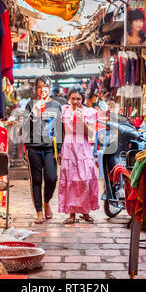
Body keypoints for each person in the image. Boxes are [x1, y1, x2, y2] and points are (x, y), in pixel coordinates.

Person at [22, 76, 63, 224]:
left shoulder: (56, 105)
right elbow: (25, 127)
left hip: (50, 147)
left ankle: (46, 202)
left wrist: (59, 149)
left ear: (50, 88)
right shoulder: (30, 105)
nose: (43, 89)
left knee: (52, 178)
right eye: (39, 86)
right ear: (36, 89)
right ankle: (39, 211)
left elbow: (59, 128)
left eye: (45, 86)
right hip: (34, 147)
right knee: (36, 180)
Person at [58, 85, 99, 224]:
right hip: (68, 148)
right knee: (69, 181)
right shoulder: (64, 110)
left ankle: (85, 211)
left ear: (83, 99)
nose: (75, 102)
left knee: (85, 180)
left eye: (79, 99)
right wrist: (60, 150)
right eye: (73, 98)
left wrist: (81, 119)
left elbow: (92, 134)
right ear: (69, 98)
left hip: (84, 148)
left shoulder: (90, 112)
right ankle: (71, 214)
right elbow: (62, 132)